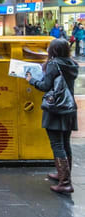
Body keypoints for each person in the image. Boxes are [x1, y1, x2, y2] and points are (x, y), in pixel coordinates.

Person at [26, 39, 78, 194]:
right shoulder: (71, 63)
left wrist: (31, 80)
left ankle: (65, 183)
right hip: (69, 108)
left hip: (56, 109)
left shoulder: (53, 64)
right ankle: (63, 175)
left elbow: (45, 86)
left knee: (57, 145)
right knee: (65, 143)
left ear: (53, 50)